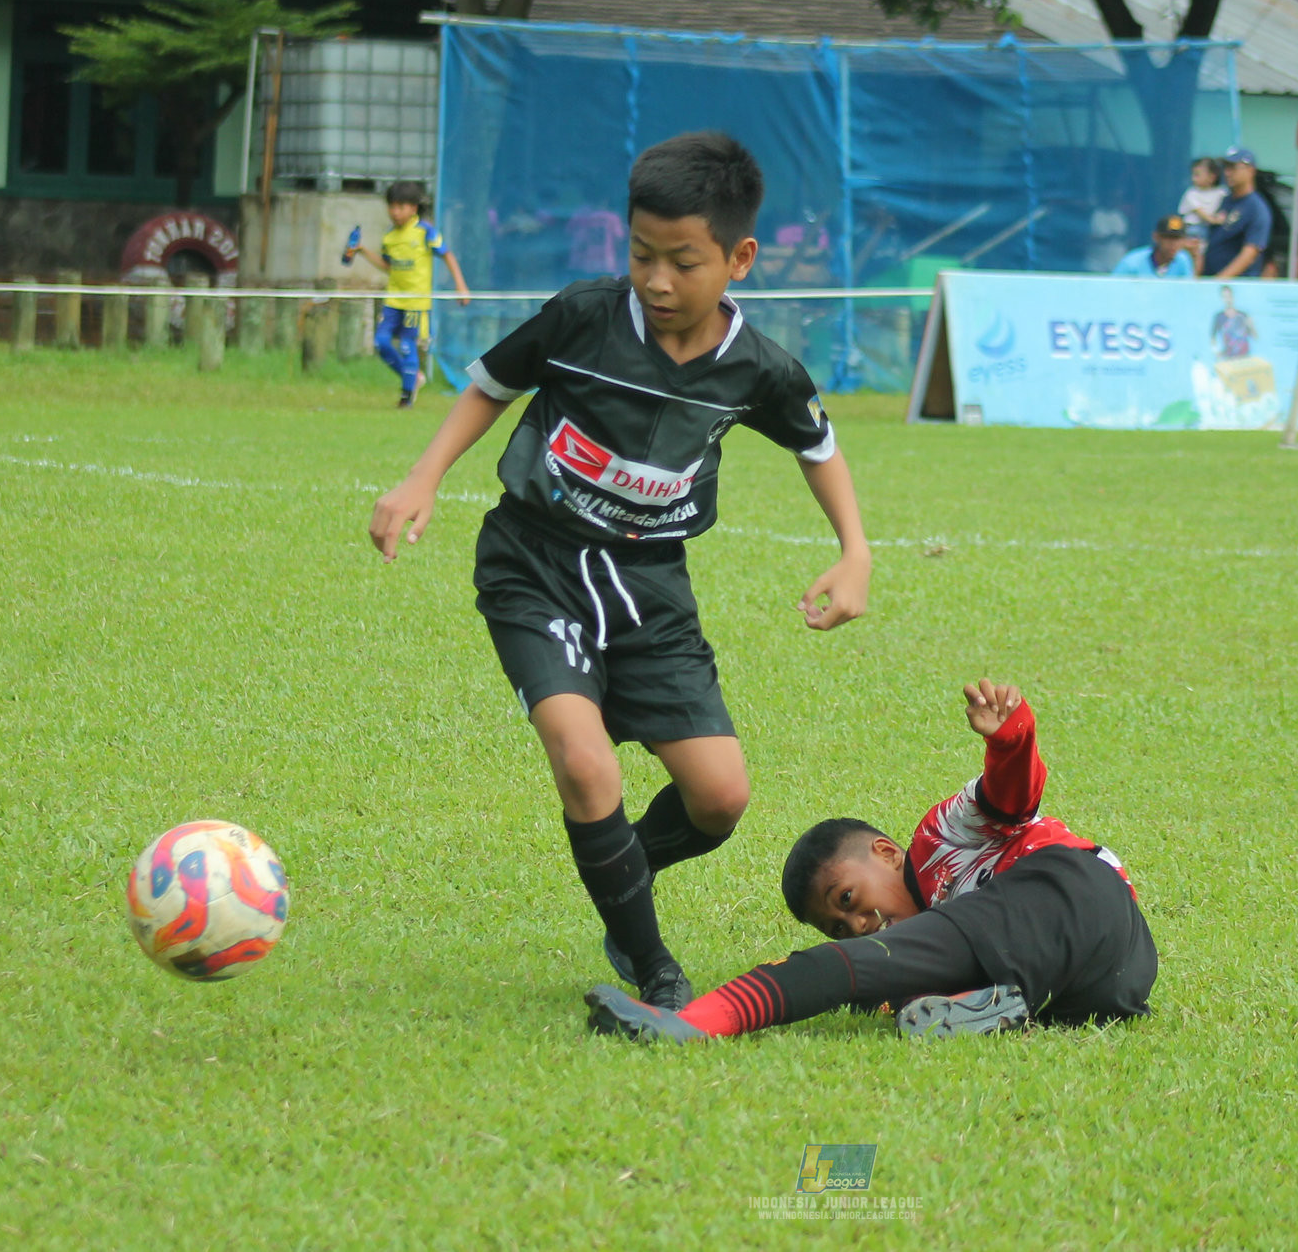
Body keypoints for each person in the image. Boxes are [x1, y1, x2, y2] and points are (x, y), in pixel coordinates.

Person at [367, 131, 873, 1012]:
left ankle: (621, 876)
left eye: (684, 261)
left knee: (720, 797)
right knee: (587, 764)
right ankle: (652, 963)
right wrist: (424, 475)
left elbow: (817, 444)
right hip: (535, 564)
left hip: (649, 587)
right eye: (642, 255)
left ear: (739, 259)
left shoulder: (758, 368)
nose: (658, 281)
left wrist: (854, 551)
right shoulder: (583, 316)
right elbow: (491, 381)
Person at [583, 677, 1157, 1042]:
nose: (856, 925)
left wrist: (1010, 740)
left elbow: (1011, 799)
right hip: (1109, 987)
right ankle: (991, 1010)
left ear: (886, 853)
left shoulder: (937, 840)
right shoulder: (940, 937)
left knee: (854, 967)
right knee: (898, 986)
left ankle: (688, 1025)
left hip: (1080, 893)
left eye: (848, 901)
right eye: (839, 926)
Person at [348, 180, 472, 408]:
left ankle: (406, 398)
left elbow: (447, 255)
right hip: (393, 300)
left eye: (401, 207)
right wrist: (363, 251)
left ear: (413, 208)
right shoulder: (389, 237)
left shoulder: (425, 232)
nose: (395, 212)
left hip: (416, 302)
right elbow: (389, 267)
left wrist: (460, 286)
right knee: (381, 342)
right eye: (392, 207)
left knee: (408, 346)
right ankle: (413, 378)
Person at [1201, 148, 1274, 279]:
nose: (1227, 173)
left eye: (1233, 168)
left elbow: (1250, 253)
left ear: (1250, 170)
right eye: (1226, 168)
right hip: (1211, 280)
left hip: (1236, 288)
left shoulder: (1256, 208)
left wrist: (1219, 280)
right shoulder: (1224, 200)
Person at [1112, 214, 1196, 278]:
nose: (1173, 244)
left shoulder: (1183, 260)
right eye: (1168, 238)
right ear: (1156, 237)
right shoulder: (1132, 263)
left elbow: (1188, 293)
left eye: (1177, 239)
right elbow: (1114, 292)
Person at [1178, 157, 1228, 236]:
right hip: (1193, 227)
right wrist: (1213, 221)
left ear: (1212, 177)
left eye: (1197, 175)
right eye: (1193, 174)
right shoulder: (1191, 193)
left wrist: (1220, 218)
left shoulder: (1221, 192)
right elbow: (1200, 212)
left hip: (1211, 228)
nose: (1193, 179)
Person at [1211, 286, 1254, 360]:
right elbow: (1213, 337)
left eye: (1229, 296)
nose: (1228, 299)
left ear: (1233, 296)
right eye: (1225, 297)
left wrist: (1251, 326)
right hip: (1229, 357)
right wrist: (1216, 352)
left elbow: (1254, 336)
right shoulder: (1218, 317)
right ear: (1222, 298)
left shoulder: (1243, 315)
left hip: (1245, 357)